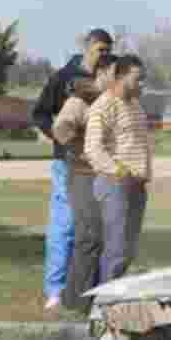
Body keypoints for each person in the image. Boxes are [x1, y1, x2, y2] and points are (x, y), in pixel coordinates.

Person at [31, 28, 113, 309]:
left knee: (94, 228)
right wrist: (59, 138)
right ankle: (55, 289)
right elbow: (39, 113)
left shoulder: (109, 77)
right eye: (101, 49)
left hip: (97, 164)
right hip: (66, 162)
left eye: (108, 50)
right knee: (64, 226)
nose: (105, 55)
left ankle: (93, 286)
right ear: (87, 47)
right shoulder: (64, 78)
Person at [51, 52, 117, 313]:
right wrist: (81, 149)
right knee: (88, 236)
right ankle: (75, 301)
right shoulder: (80, 100)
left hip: (103, 177)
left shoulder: (110, 101)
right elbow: (61, 128)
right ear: (100, 74)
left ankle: (94, 297)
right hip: (82, 175)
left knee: (102, 238)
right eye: (114, 74)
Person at [85, 55, 152, 283]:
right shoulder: (103, 106)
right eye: (138, 79)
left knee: (127, 252)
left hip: (136, 185)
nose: (142, 84)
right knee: (116, 251)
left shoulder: (135, 105)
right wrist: (120, 171)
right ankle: (102, 309)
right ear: (120, 77)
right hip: (115, 185)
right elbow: (93, 149)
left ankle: (113, 308)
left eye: (144, 79)